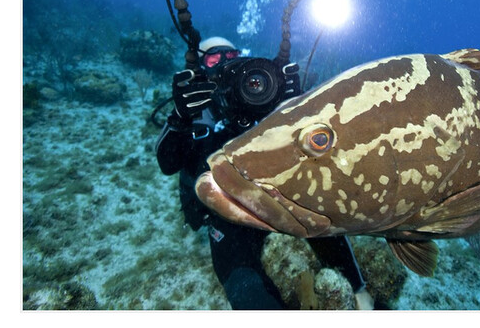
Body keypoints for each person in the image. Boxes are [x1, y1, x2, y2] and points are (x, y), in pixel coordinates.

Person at [156, 36, 375, 310]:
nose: (224, 63)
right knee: (242, 284)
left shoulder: (264, 97)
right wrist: (179, 118)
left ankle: (360, 292)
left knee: (320, 223)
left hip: (274, 197)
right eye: (213, 59)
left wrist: (298, 104)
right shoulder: (195, 109)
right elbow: (167, 164)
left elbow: (318, 146)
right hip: (226, 214)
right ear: (201, 67)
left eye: (231, 55)